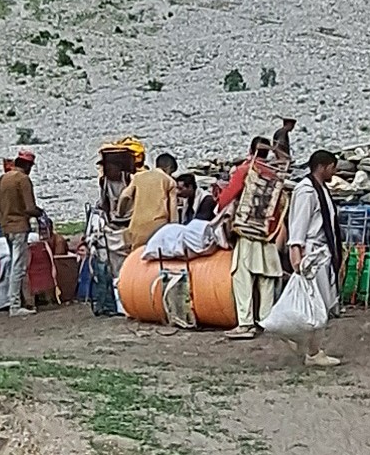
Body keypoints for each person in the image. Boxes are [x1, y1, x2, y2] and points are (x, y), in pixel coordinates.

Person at [216, 135, 288, 340]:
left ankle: (245, 323)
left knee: (243, 277)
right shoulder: (276, 175)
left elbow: (225, 199)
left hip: (247, 231)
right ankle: (266, 320)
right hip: (267, 234)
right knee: (266, 277)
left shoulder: (246, 170)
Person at [284, 150, 343, 367]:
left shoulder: (321, 190)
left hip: (322, 253)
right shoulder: (306, 191)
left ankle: (307, 345)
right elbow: (299, 223)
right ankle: (312, 351)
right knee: (317, 305)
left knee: (321, 303)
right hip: (312, 252)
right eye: (332, 168)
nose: (334, 172)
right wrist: (296, 253)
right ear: (324, 166)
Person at [0, 150, 43, 315]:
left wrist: (4, 212)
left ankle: (23, 302)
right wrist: (39, 213)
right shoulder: (23, 180)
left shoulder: (4, 178)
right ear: (27, 166)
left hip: (6, 228)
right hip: (19, 228)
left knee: (14, 263)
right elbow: (30, 208)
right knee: (18, 267)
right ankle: (14, 305)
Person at [121, 153, 178, 253]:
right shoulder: (169, 181)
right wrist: (175, 231)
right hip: (159, 229)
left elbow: (124, 196)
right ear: (169, 168)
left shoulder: (138, 177)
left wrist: (120, 213)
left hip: (137, 228)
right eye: (171, 172)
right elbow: (173, 213)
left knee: (137, 257)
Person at [141, 197, 229, 260]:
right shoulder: (187, 201)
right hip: (181, 232)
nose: (178, 192)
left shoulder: (205, 200)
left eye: (180, 188)